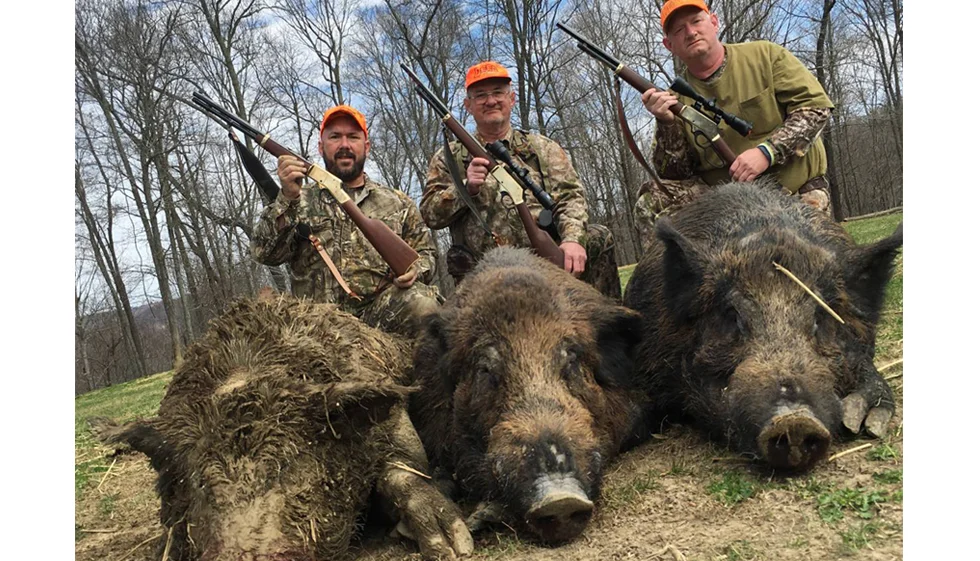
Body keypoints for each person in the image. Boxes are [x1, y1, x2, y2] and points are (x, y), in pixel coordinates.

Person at [633, 0, 836, 248]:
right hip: (723, 202)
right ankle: (677, 273)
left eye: (696, 21)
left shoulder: (766, 56)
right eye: (678, 29)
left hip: (793, 189)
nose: (690, 32)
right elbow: (675, 175)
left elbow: (815, 108)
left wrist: (767, 152)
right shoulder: (673, 100)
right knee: (651, 202)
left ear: (714, 22)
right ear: (669, 45)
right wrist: (666, 123)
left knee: (802, 257)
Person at [419, 61, 622, 299]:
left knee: (598, 237)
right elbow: (430, 215)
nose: (491, 101)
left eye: (498, 92)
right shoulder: (448, 158)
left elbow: (571, 198)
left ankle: (614, 317)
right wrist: (465, 189)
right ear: (468, 105)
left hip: (544, 261)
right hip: (484, 271)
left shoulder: (542, 148)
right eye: (481, 95)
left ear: (512, 99)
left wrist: (572, 239)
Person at [251, 105, 440, 338]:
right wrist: (287, 198)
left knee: (424, 305)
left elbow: (426, 254)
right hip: (316, 324)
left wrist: (416, 271)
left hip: (380, 318)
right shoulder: (298, 199)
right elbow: (264, 254)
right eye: (335, 137)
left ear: (366, 146)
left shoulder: (397, 202)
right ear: (321, 147)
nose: (344, 145)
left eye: (353, 137)